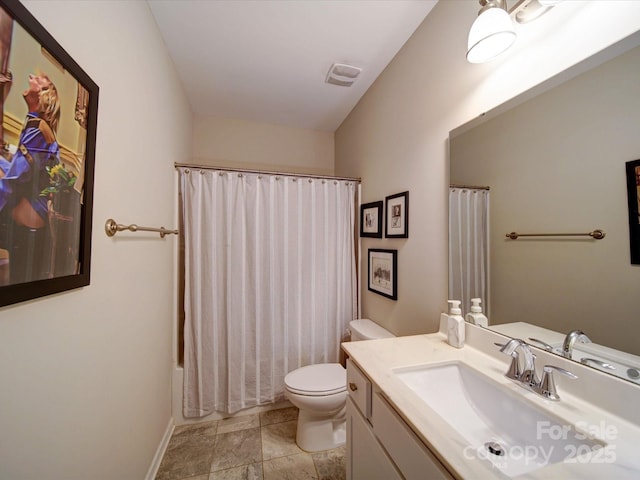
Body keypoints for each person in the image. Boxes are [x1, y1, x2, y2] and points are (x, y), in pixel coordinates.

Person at [0, 73, 61, 284]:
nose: (31, 77)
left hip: (28, 235)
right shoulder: (36, 126)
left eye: (38, 79)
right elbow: (18, 171)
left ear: (44, 96)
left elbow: (14, 178)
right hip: (26, 232)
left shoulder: (38, 129)